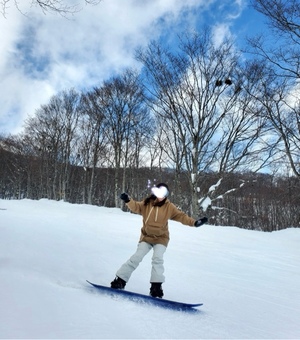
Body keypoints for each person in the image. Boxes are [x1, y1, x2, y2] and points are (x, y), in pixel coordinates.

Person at [110, 182, 208, 298]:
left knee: (157, 259)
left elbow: (181, 216)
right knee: (136, 257)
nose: (161, 195)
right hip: (146, 237)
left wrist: (195, 223)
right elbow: (136, 206)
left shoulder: (169, 207)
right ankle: (120, 280)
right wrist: (128, 200)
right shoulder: (147, 203)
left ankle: (156, 287)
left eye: (164, 193)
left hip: (161, 239)